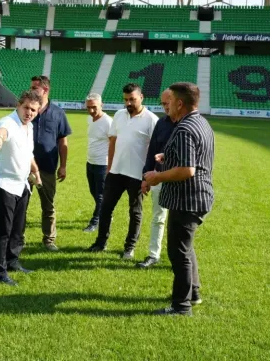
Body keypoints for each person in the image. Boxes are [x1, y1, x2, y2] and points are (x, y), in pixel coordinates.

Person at [144, 82, 215, 316]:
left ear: (180, 103)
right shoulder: (200, 122)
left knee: (178, 253)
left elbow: (187, 170)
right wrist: (169, 155)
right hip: (195, 196)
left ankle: (181, 306)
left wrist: (157, 176)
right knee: (186, 248)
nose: (167, 105)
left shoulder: (184, 128)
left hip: (188, 199)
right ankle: (192, 293)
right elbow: (193, 157)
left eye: (170, 100)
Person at [87, 83, 159, 260]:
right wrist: (110, 168)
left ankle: (129, 248)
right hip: (116, 172)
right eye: (126, 99)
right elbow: (112, 143)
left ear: (141, 97)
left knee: (135, 212)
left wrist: (148, 177)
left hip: (137, 174)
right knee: (105, 208)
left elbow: (155, 150)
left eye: (132, 99)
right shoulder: (119, 115)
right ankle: (100, 243)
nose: (128, 103)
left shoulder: (151, 119)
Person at [0, 90, 43, 286]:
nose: (29, 113)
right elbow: (2, 133)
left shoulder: (29, 127)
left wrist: (35, 171)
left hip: (21, 184)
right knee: (3, 230)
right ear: (19, 105)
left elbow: (28, 153)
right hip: (2, 183)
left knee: (18, 229)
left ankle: (12, 261)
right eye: (26, 108)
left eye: (33, 110)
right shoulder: (8, 122)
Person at [28, 75, 72, 251]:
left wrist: (63, 166)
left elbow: (63, 141)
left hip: (46, 167)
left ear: (45, 90)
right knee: (19, 204)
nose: (31, 90)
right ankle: (17, 237)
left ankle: (49, 240)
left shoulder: (58, 113)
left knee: (48, 206)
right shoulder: (27, 109)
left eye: (34, 88)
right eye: (31, 87)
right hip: (23, 167)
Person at [136, 89, 176, 269]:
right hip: (159, 178)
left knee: (179, 223)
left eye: (167, 103)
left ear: (177, 102)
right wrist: (146, 177)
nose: (165, 107)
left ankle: (180, 258)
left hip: (181, 181)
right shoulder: (161, 123)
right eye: (162, 104)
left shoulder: (187, 124)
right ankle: (154, 254)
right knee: (158, 217)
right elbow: (152, 151)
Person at [83, 93, 112, 233]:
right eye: (88, 107)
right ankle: (105, 212)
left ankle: (95, 221)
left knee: (101, 195)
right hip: (90, 162)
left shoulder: (108, 122)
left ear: (102, 105)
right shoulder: (90, 119)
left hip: (103, 164)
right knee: (93, 192)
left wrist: (110, 166)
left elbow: (114, 144)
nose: (91, 111)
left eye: (94, 107)